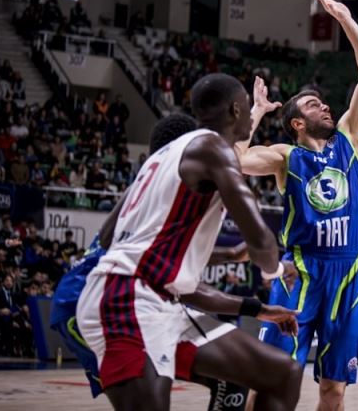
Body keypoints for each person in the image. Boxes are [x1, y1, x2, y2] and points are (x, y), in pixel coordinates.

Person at [76, 75, 303, 411]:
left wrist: (258, 309)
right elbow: (260, 238)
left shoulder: (163, 157)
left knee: (282, 373)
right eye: (246, 110)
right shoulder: (212, 148)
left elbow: (109, 236)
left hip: (161, 300)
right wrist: (275, 271)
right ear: (235, 109)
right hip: (124, 299)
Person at [235, 0, 358, 410]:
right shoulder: (288, 156)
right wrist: (258, 111)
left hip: (351, 272)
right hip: (301, 272)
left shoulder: (352, 138)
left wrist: (347, 21)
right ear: (297, 122)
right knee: (272, 380)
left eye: (324, 101)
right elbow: (238, 160)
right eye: (313, 104)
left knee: (333, 388)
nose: (325, 107)